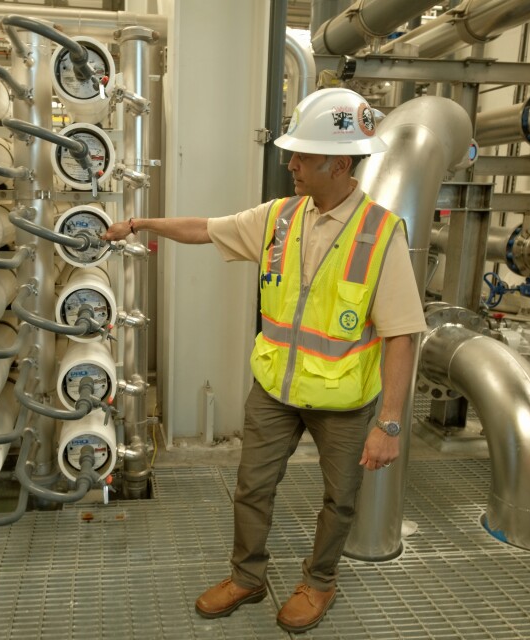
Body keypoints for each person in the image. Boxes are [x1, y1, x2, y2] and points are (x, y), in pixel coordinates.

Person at [102, 87, 427, 633]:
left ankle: (319, 582)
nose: (291, 164)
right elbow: (206, 229)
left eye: (303, 155)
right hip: (275, 390)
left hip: (344, 400)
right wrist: (140, 226)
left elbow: (402, 335)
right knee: (252, 486)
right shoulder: (280, 218)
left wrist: (389, 422)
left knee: (339, 499)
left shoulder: (380, 233)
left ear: (340, 162)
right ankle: (247, 576)